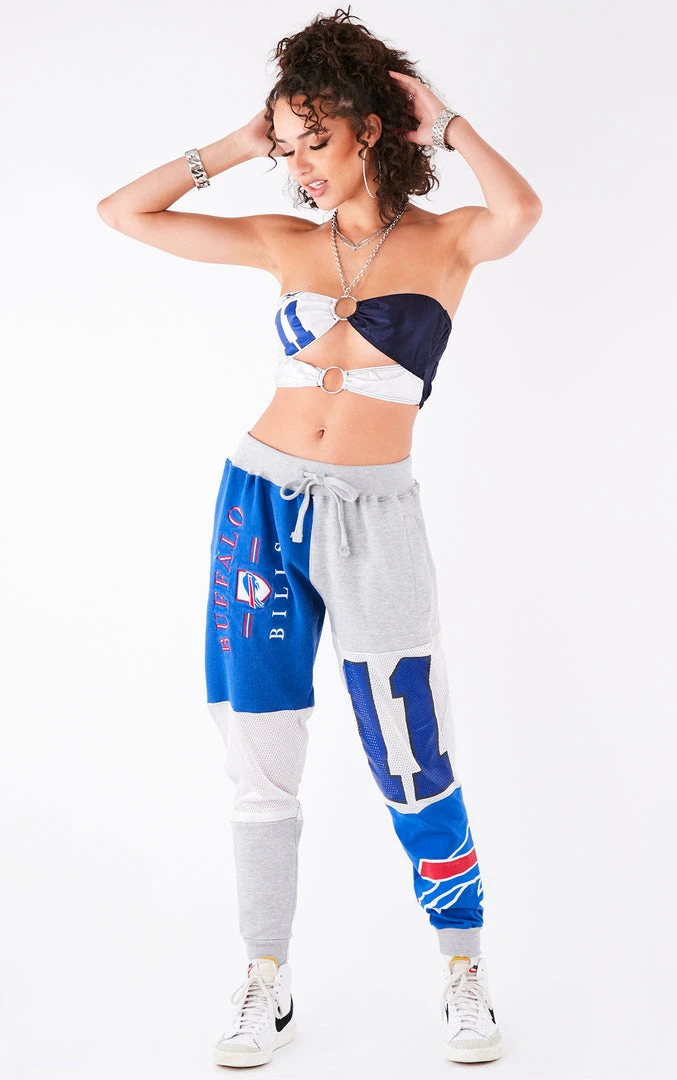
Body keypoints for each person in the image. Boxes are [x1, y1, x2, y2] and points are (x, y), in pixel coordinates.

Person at [97, 6, 542, 1068]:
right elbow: (122, 212)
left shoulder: (445, 242)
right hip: (258, 503)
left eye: (316, 141)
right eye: (288, 146)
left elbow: (521, 210)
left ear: (370, 129)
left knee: (410, 749)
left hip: (376, 518)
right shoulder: (283, 240)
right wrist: (237, 144)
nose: (299, 166)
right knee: (260, 751)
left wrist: (449, 123)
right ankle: (265, 976)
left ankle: (463, 968)